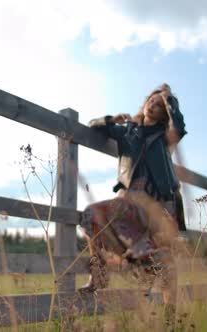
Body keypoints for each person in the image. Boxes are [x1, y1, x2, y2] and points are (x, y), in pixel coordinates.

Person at [79, 83, 187, 296]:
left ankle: (147, 273)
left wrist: (169, 98)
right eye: (151, 101)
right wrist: (111, 120)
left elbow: (179, 127)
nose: (153, 105)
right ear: (144, 103)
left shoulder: (165, 136)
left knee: (159, 259)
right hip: (129, 201)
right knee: (90, 215)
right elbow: (93, 125)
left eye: (159, 105)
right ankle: (100, 273)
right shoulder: (127, 132)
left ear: (164, 113)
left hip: (157, 206)